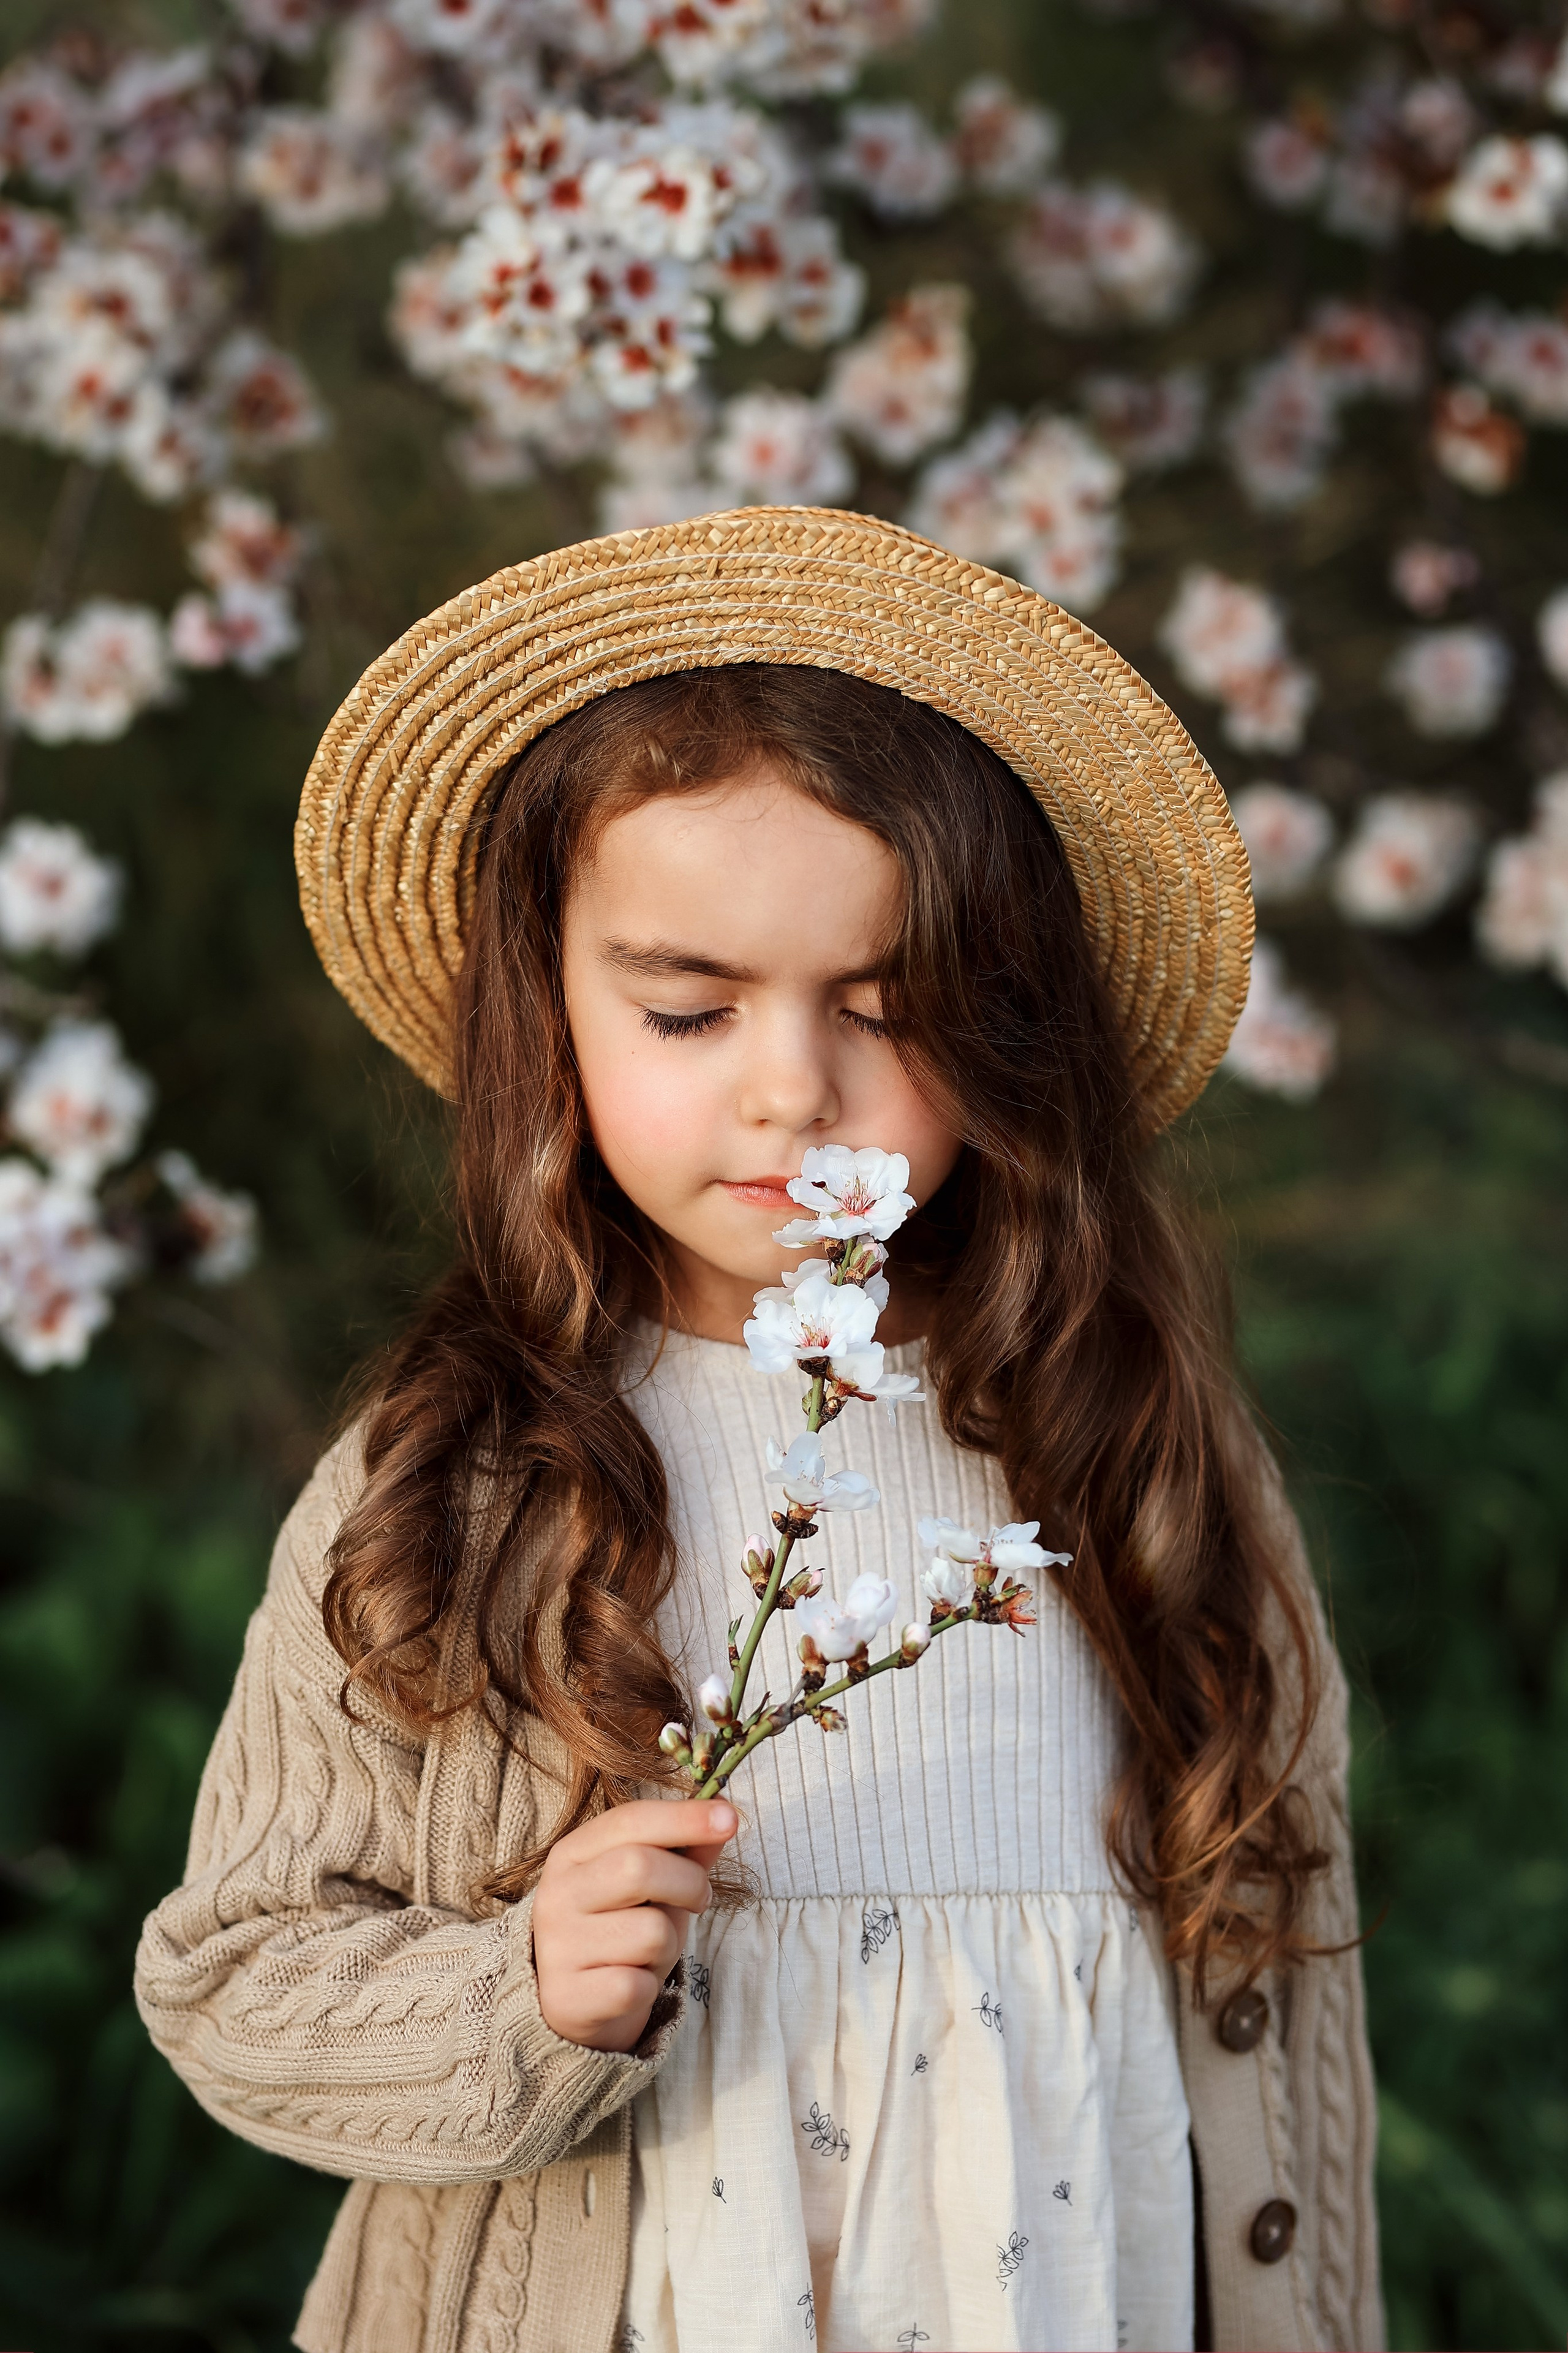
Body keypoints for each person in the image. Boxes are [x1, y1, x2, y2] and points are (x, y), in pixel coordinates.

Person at [135, 508, 1382, 2353]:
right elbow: (236, 1972)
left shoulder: (1132, 1453)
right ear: (548, 1015)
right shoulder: (462, 1478)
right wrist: (525, 2002)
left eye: (891, 1010)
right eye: (689, 1006)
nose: (792, 1085)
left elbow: (1286, 1990)